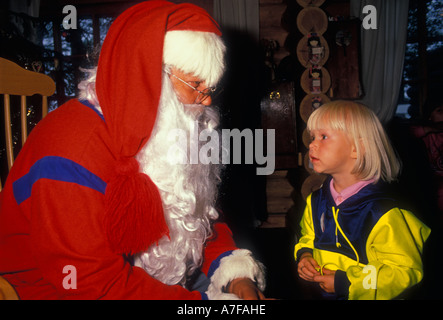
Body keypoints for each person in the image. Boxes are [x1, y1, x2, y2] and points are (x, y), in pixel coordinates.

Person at [0, 0, 267, 300]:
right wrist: (204, 303)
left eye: (210, 88)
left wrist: (235, 274)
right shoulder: (72, 149)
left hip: (155, 280)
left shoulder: (162, 131)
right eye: (195, 85)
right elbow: (89, 284)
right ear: (149, 75)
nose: (205, 101)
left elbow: (196, 217)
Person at [294, 100, 431, 300]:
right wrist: (305, 255)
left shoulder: (382, 212)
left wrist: (348, 282)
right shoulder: (316, 201)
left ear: (357, 149)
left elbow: (404, 272)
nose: (312, 144)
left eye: (323, 137)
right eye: (313, 136)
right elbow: (307, 236)